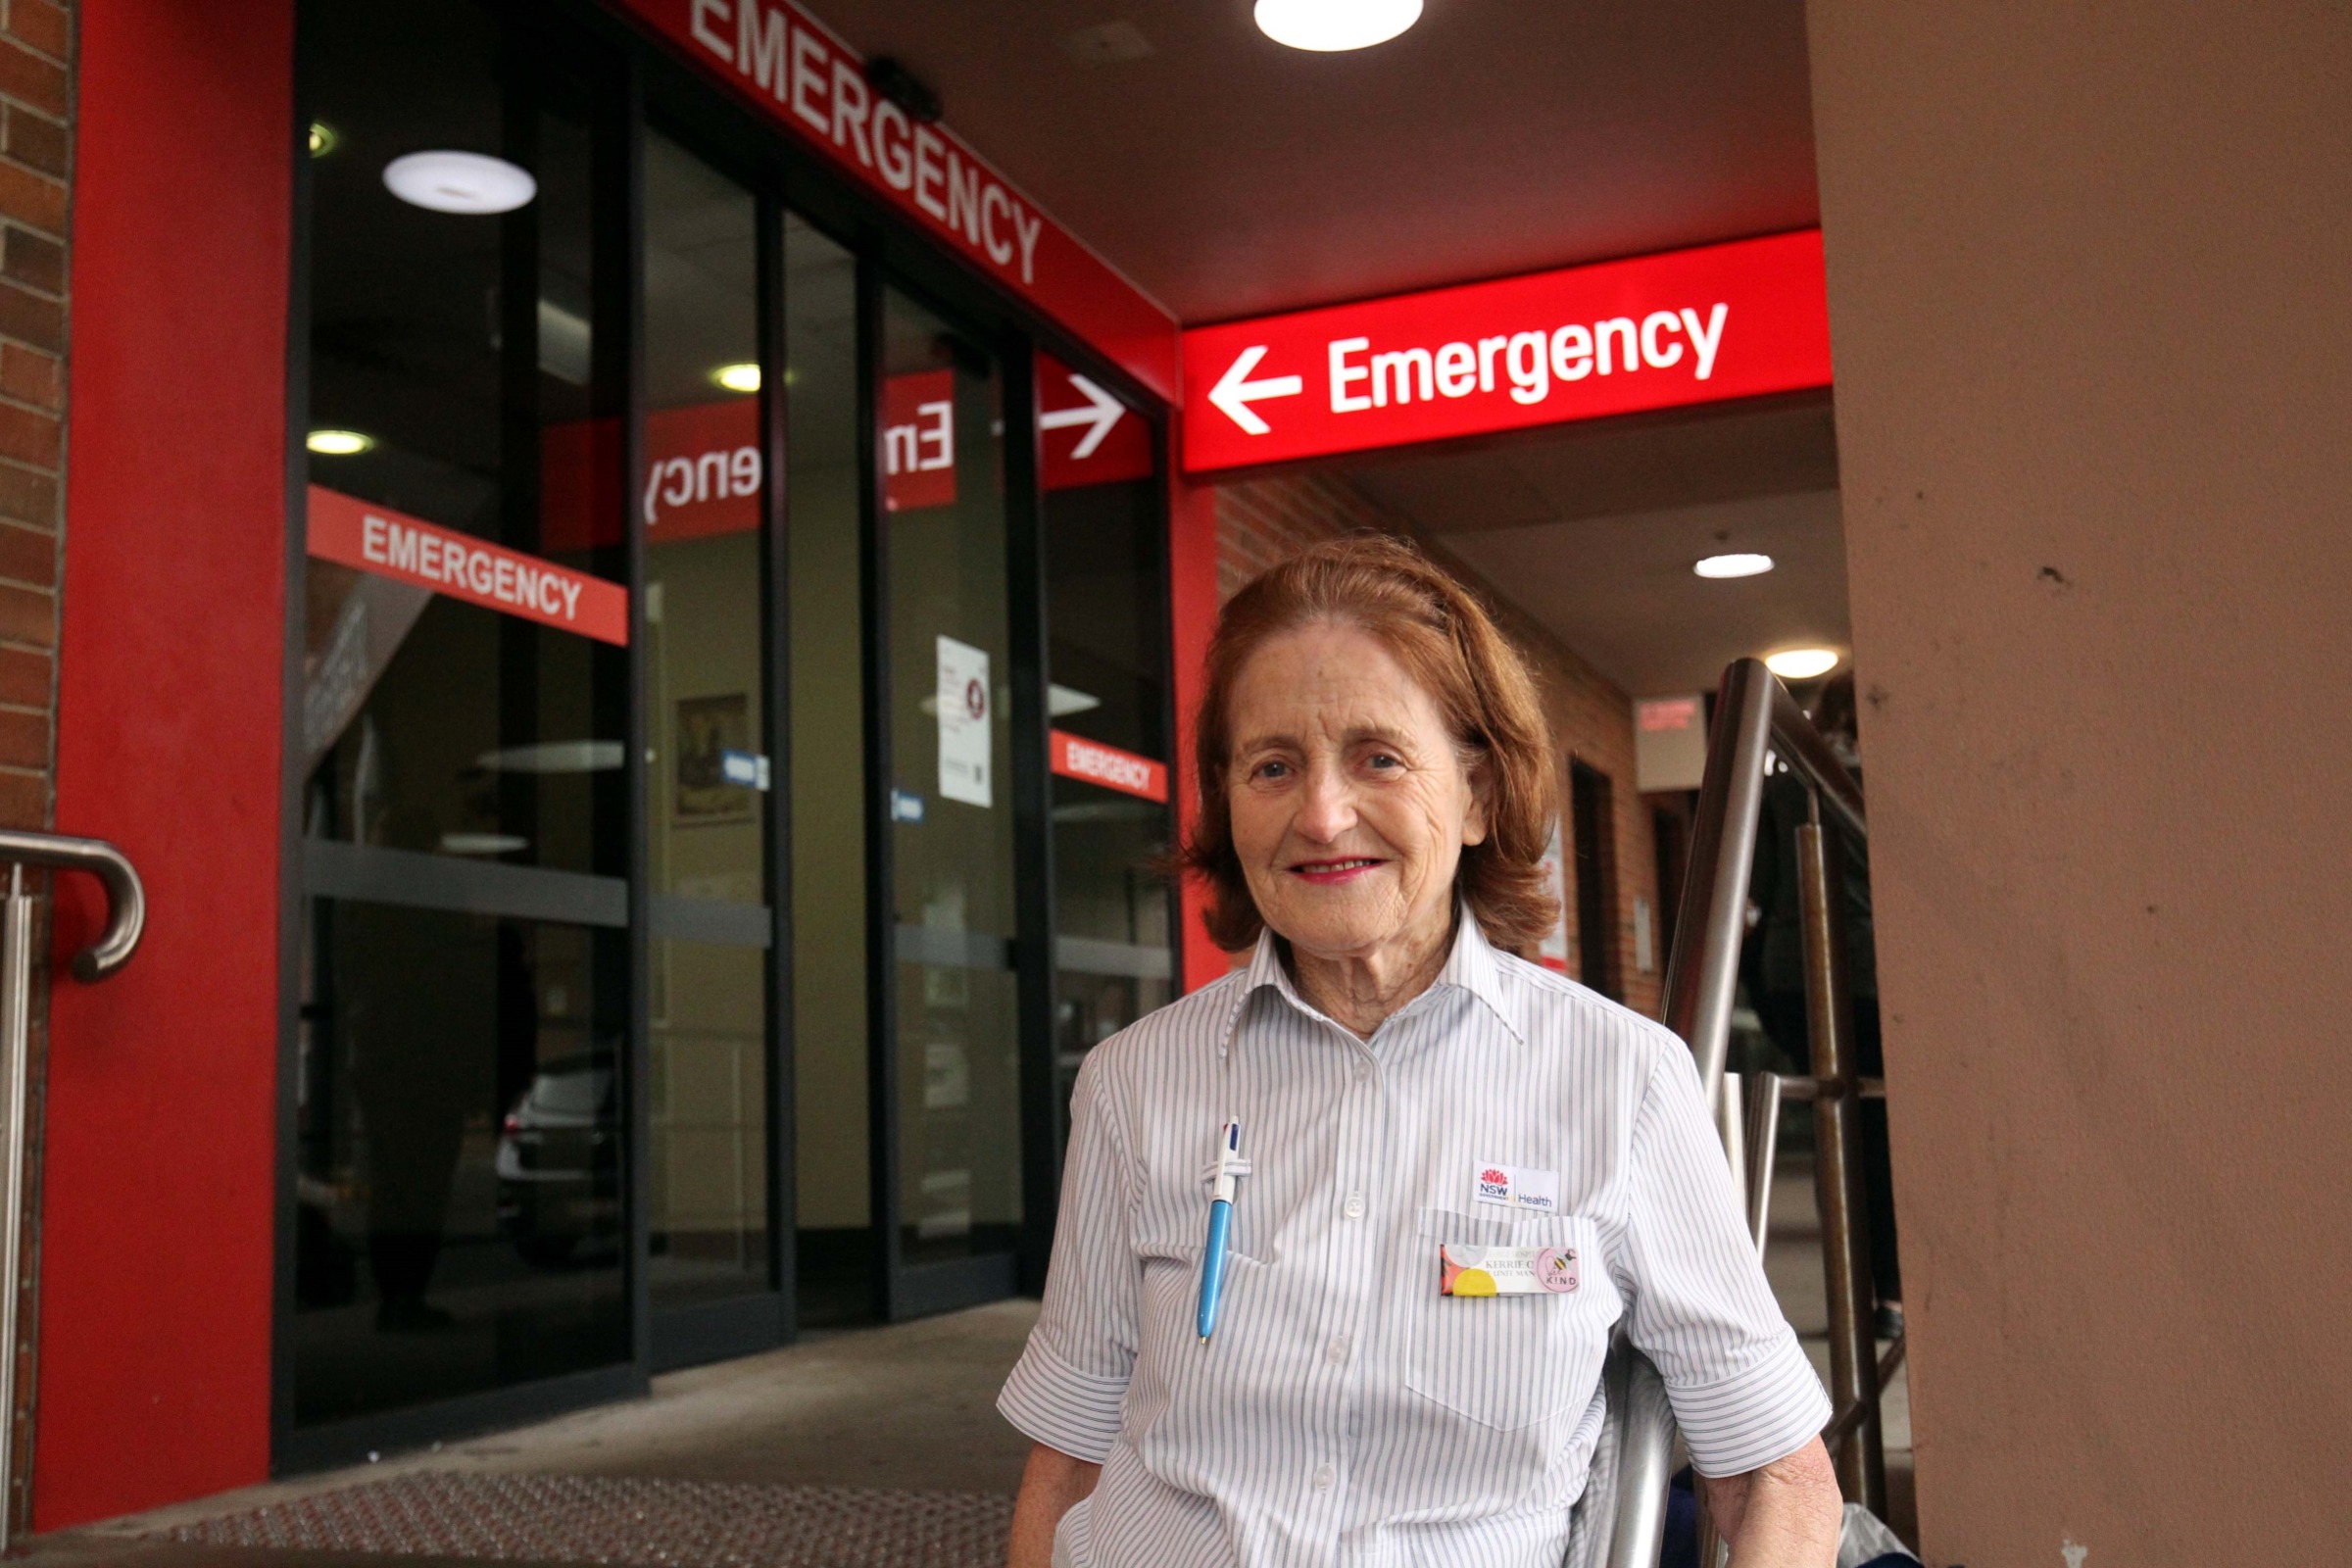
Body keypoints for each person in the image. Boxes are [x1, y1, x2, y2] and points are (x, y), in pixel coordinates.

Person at [999, 536, 1840, 1567]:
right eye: (1273, 765)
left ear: (1480, 793)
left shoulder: (1622, 1083)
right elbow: (1072, 1457)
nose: (1321, 813)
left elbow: (1773, 1479)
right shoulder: (1135, 1082)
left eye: (1378, 756)